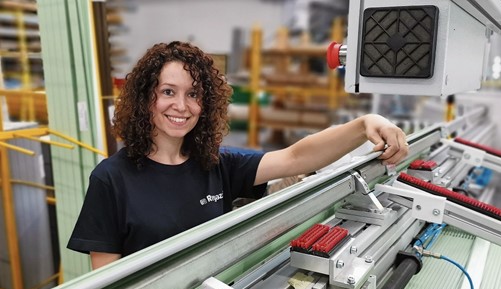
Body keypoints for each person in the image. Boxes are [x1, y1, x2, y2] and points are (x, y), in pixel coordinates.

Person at [67, 41, 409, 269]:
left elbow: (295, 158)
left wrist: (365, 123)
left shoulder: (215, 164)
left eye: (193, 94)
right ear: (145, 99)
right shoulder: (111, 178)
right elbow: (105, 282)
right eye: (168, 92)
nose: (181, 106)